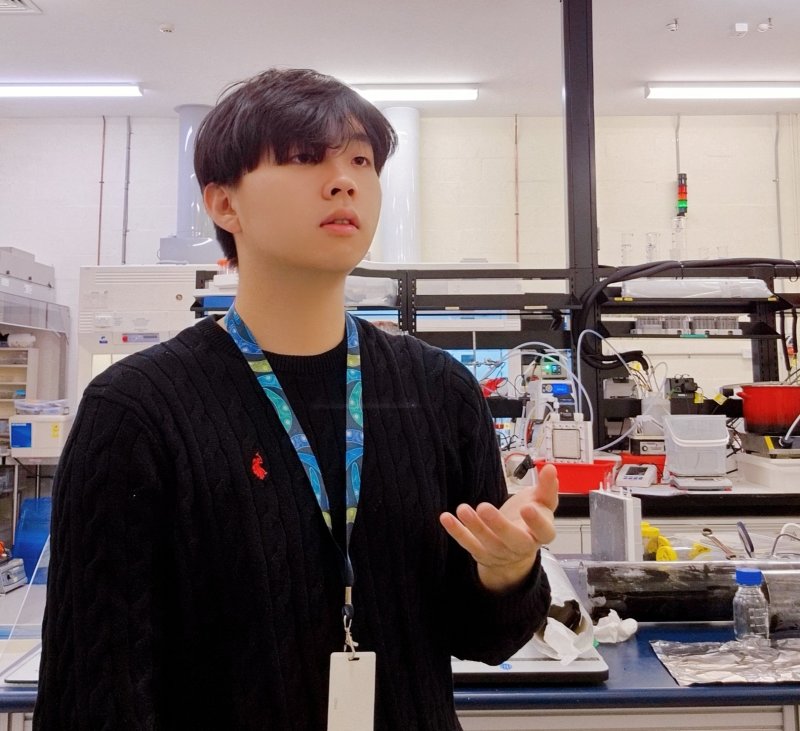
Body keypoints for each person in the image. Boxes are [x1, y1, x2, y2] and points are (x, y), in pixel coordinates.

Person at [34, 67, 558, 730]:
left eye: (361, 161)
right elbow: (96, 694)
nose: (344, 181)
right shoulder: (136, 410)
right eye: (306, 157)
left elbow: (484, 637)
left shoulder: (440, 392)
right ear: (224, 204)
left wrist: (509, 570)